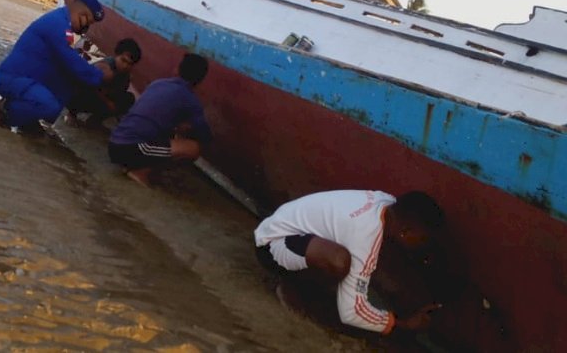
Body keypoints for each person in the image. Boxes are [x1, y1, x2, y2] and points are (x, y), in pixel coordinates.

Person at [254, 189, 444, 336]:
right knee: (339, 262)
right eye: (422, 240)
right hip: (271, 245)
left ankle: (307, 282)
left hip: (288, 230)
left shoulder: (386, 205)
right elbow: (351, 313)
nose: (423, 246)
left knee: (350, 261)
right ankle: (291, 285)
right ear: (406, 231)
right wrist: (403, 324)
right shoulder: (365, 234)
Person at [0, 0, 112, 132]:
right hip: (14, 78)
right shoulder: (57, 24)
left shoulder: (63, 23)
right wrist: (98, 75)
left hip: (31, 77)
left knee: (67, 86)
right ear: (81, 13)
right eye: (87, 21)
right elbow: (70, 59)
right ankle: (6, 111)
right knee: (48, 105)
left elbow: (69, 62)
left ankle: (29, 119)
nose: (86, 27)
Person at [107, 53, 211, 186]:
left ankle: (133, 165)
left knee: (167, 132)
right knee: (193, 148)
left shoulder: (158, 83)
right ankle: (139, 172)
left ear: (177, 70)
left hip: (115, 141)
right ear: (200, 80)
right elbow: (204, 135)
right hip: (128, 147)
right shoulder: (191, 100)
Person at [65, 37, 142, 126]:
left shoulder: (126, 76)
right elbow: (87, 83)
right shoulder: (105, 67)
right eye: (123, 60)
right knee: (83, 88)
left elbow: (118, 93)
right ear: (116, 55)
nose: (125, 66)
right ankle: (71, 113)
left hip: (100, 99)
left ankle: (95, 119)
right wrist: (108, 102)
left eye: (129, 64)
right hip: (82, 96)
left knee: (129, 99)